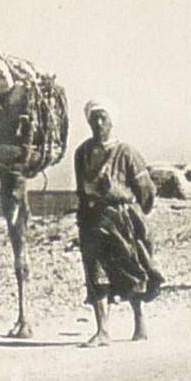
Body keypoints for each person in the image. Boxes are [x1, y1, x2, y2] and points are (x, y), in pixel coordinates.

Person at [74, 99, 164, 346]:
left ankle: (140, 322)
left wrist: (137, 214)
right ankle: (102, 330)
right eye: (94, 117)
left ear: (112, 121)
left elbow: (146, 189)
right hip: (93, 219)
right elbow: (81, 188)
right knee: (96, 273)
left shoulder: (127, 152)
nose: (98, 122)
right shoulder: (82, 153)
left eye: (103, 117)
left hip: (123, 220)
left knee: (131, 268)